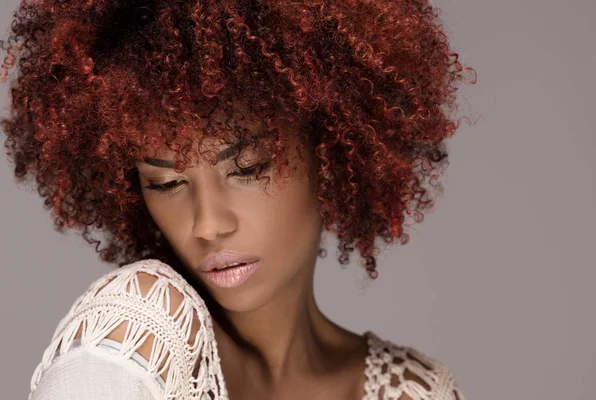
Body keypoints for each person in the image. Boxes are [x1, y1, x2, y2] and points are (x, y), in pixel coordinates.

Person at [0, 1, 476, 399]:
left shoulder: (419, 390)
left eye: (247, 168)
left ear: (327, 153)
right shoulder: (139, 331)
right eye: (166, 184)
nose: (207, 224)